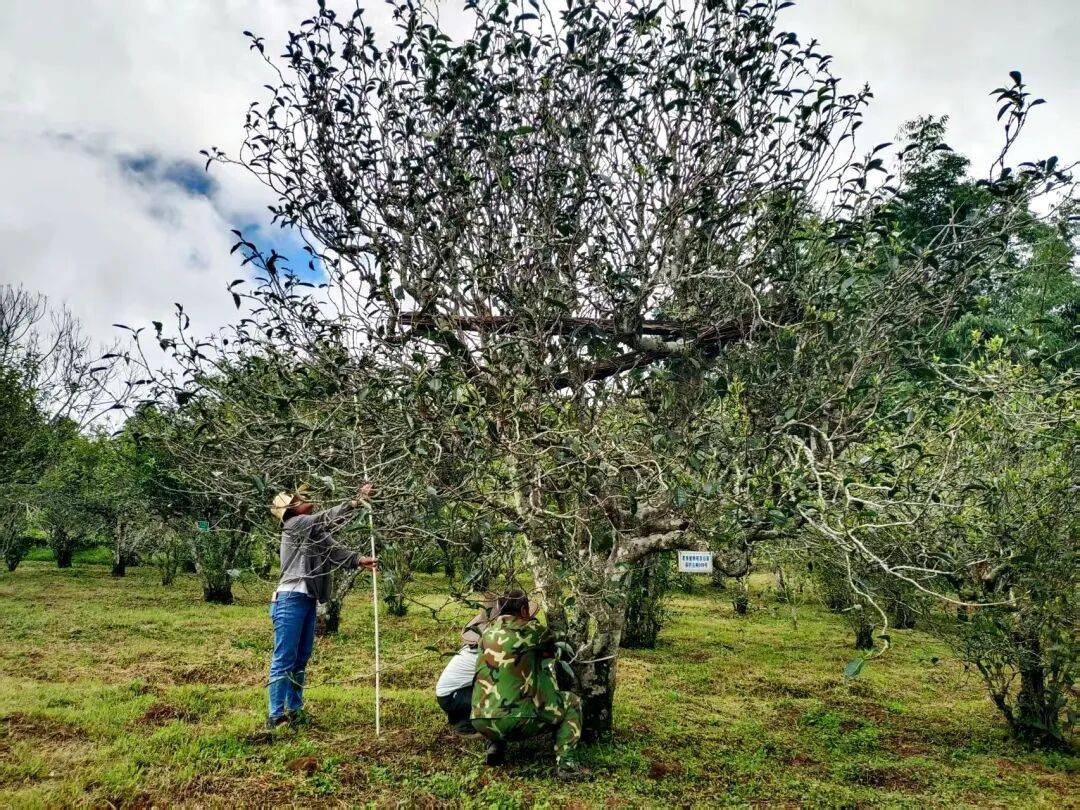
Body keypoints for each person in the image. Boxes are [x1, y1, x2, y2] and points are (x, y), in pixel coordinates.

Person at [265, 484, 377, 731]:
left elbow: (333, 550)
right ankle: (275, 716)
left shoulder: (312, 531)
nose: (305, 499)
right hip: (289, 598)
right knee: (284, 658)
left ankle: (294, 710)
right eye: (298, 499)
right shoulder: (295, 526)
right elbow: (327, 519)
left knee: (300, 658)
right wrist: (356, 502)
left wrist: (358, 560)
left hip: (307, 600)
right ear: (292, 509)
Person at [470, 590, 584, 781]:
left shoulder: (486, 634)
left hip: (480, 720)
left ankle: (495, 746)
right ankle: (567, 765)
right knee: (572, 703)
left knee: (501, 690)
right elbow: (555, 639)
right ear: (524, 610)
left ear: (498, 610)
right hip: (518, 720)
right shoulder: (533, 632)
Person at [434, 603, 493, 734]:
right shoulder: (479, 656)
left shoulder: (470, 649)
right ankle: (464, 726)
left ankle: (459, 718)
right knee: (492, 694)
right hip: (451, 697)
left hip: (450, 693)